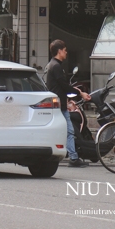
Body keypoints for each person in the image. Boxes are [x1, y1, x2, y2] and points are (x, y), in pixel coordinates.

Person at [45, 39, 90, 167]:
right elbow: (64, 85)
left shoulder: (52, 65)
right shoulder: (56, 66)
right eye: (65, 50)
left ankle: (69, 155)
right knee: (69, 130)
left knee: (64, 130)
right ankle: (73, 157)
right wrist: (80, 93)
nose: (66, 53)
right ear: (59, 51)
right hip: (59, 105)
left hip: (57, 104)